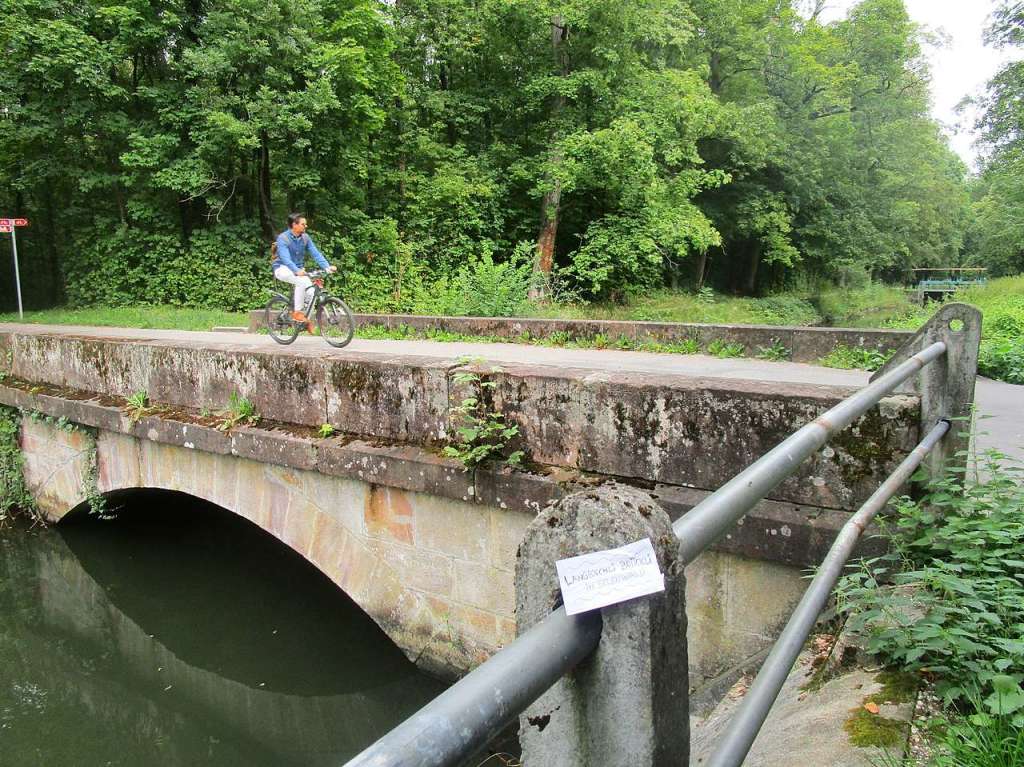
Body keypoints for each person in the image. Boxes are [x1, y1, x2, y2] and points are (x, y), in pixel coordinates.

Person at [271, 213, 337, 332]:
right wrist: (296, 270)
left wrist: (327, 266)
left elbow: (316, 253)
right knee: (301, 282)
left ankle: (305, 321)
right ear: (294, 225)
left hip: (299, 271)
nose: (305, 226)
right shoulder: (283, 238)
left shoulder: (305, 238)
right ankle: (297, 313)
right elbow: (285, 259)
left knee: (312, 292)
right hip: (282, 268)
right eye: (303, 224)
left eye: (305, 224)